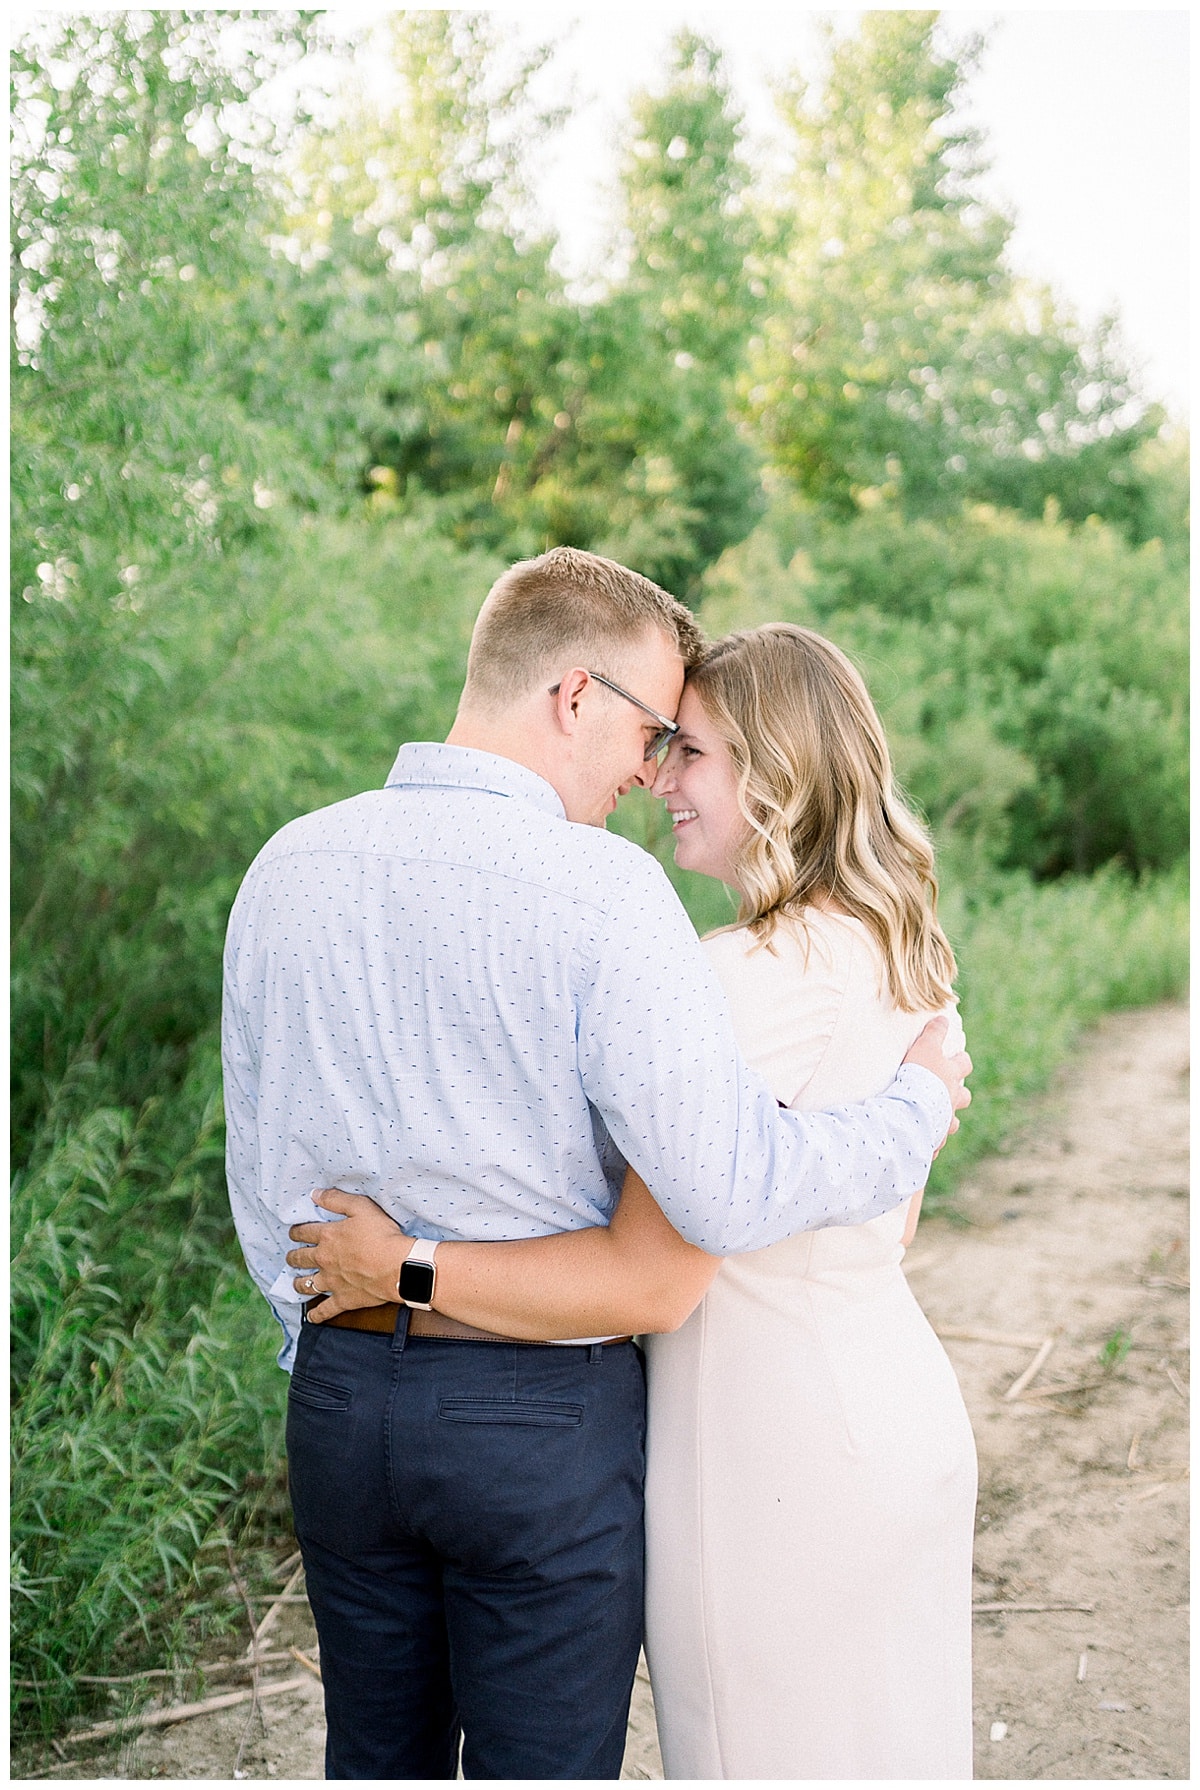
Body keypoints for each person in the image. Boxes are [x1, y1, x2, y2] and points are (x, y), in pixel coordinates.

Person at [224, 549, 970, 1780]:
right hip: (539, 1417)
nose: (650, 767)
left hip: (343, 1404)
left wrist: (342, 1348)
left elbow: (264, 1193)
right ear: (575, 695)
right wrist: (913, 1108)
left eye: (685, 744)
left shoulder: (284, 864)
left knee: (373, 1758)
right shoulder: (608, 894)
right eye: (652, 730)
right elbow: (725, 1193)